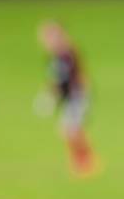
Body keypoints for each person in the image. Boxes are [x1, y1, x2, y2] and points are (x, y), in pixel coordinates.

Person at [37, 22, 97, 176]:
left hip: (76, 96)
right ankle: (82, 162)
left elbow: (63, 80)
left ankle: (85, 162)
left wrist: (50, 97)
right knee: (69, 130)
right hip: (72, 96)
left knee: (70, 129)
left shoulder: (65, 55)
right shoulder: (60, 55)